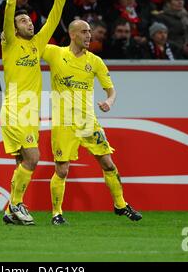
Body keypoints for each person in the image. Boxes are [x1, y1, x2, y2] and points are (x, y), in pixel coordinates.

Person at [42, 19, 142, 225]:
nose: (89, 36)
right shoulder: (55, 53)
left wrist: (109, 101)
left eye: (90, 32)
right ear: (72, 34)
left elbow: (111, 90)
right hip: (64, 123)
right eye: (84, 32)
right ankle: (56, 214)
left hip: (88, 121)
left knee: (108, 163)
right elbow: (31, 44)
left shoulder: (95, 61)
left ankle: (120, 205)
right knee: (62, 169)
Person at [1, 0, 69, 226]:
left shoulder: (36, 45)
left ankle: (11, 210)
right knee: (33, 157)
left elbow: (51, 22)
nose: (28, 23)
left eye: (29, 20)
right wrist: (12, 0)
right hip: (14, 109)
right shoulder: (9, 43)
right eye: (23, 21)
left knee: (23, 162)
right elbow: (7, 21)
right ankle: (16, 204)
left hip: (30, 111)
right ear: (15, 28)